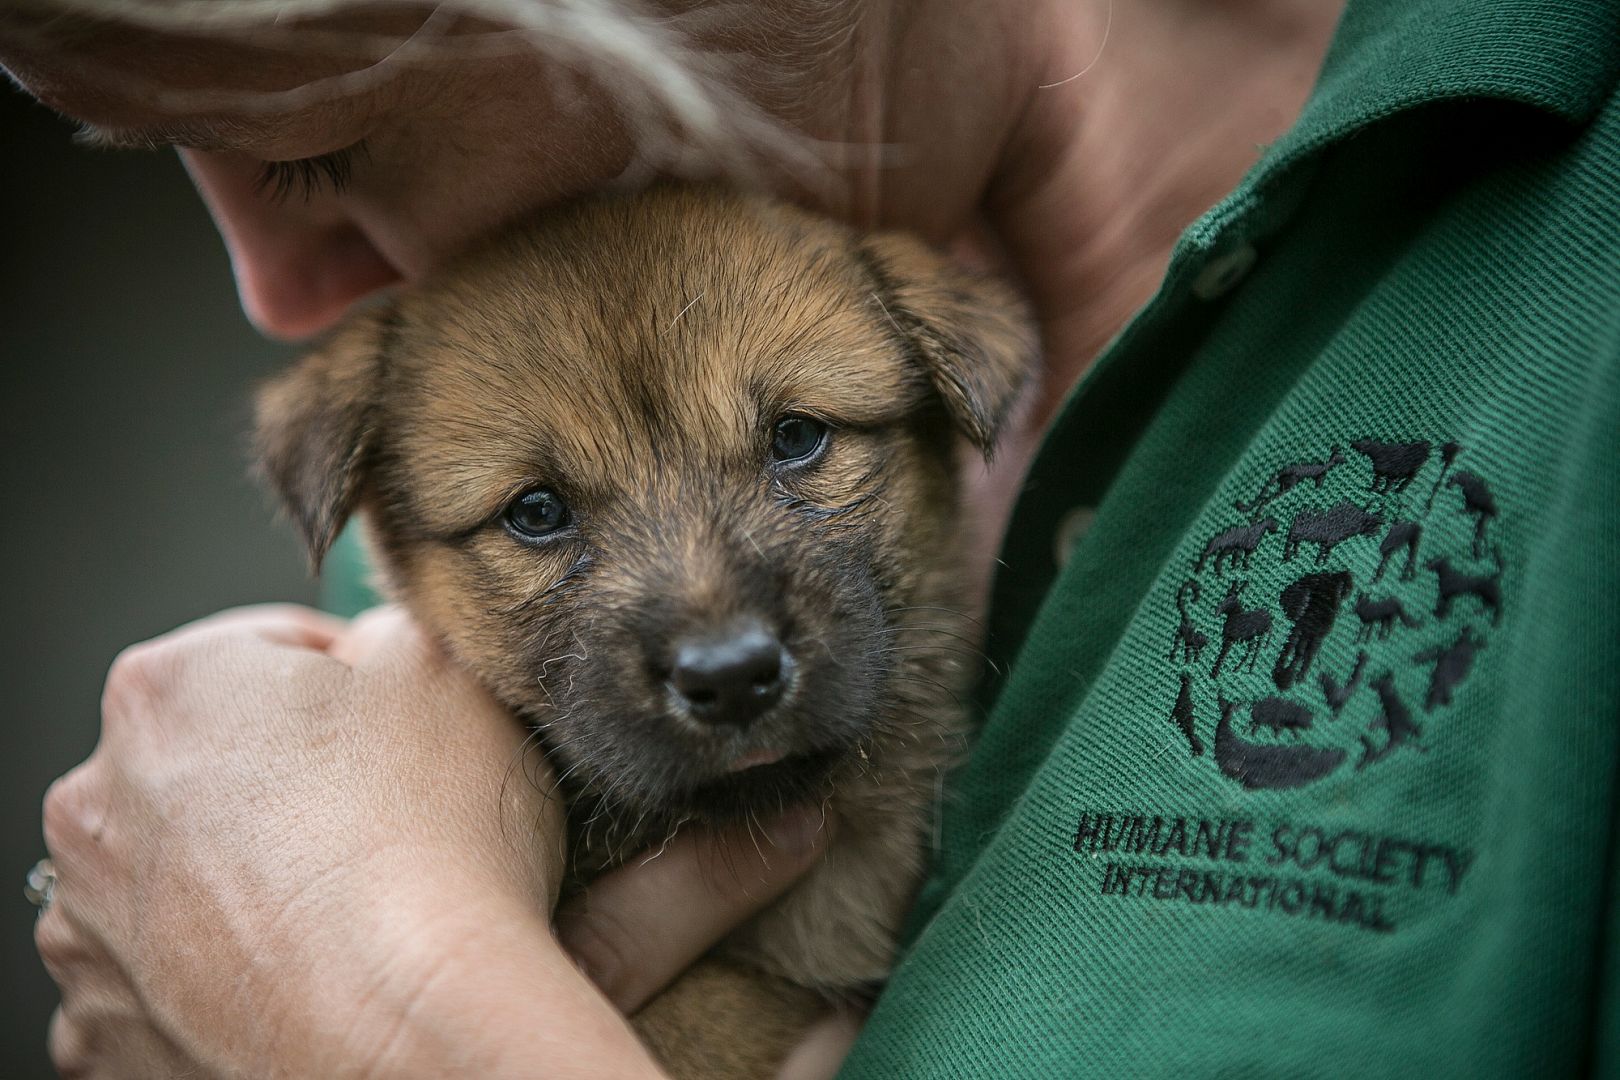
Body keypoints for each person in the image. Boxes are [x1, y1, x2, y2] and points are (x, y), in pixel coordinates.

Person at [7, 0, 1618, 1075]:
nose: (276, 295)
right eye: (543, 517)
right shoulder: (470, 464)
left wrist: (367, 1013)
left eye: (320, 145)